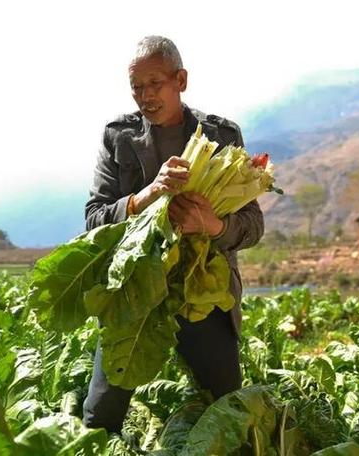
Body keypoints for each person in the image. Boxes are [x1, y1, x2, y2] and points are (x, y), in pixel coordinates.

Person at [83, 35, 264, 433]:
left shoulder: (222, 136)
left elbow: (252, 226)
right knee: (100, 415)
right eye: (136, 86)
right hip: (133, 291)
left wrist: (211, 226)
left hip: (201, 292)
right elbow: (95, 218)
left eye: (155, 83)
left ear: (180, 80)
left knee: (227, 406)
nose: (145, 95)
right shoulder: (118, 137)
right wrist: (149, 194)